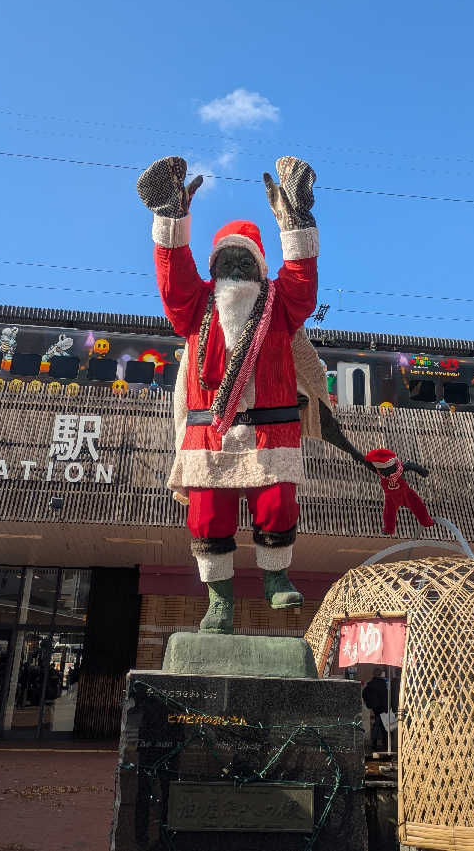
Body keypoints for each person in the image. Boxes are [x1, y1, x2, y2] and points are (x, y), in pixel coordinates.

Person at [137, 155, 319, 634]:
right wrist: (171, 219)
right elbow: (173, 277)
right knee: (207, 515)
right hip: (209, 433)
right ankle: (219, 601)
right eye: (227, 263)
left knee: (278, 502)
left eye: (246, 262)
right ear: (214, 269)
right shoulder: (194, 306)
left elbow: (302, 282)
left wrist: (296, 222)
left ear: (261, 268)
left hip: (270, 430)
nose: (236, 271)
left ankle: (276, 575)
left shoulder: (281, 306)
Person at [362, 670, 389, 751]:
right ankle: (384, 743)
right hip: (383, 708)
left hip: (375, 708)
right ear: (380, 674)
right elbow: (385, 695)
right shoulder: (383, 683)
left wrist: (369, 703)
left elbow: (364, 694)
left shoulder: (370, 683)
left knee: (378, 725)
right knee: (382, 726)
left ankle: (375, 743)